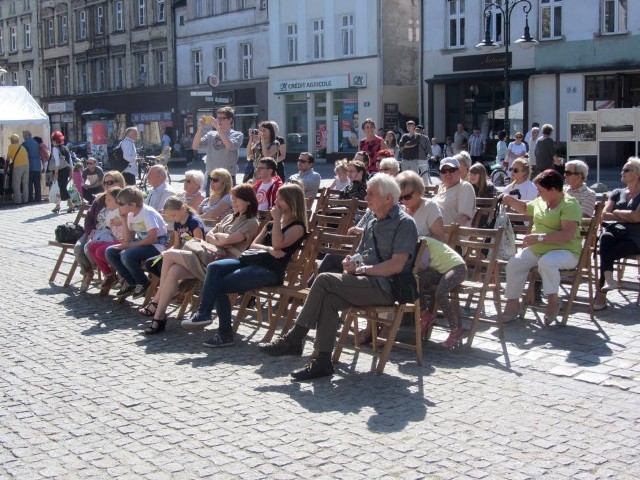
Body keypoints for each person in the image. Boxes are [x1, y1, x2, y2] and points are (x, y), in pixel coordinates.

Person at [258, 174, 418, 381]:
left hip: (386, 287)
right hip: (366, 281)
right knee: (330, 300)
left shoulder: (404, 223)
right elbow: (361, 256)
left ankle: (295, 337)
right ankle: (323, 361)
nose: (366, 198)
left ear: (388, 198)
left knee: (324, 279)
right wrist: (351, 263)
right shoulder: (372, 221)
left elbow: (396, 265)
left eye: (371, 194)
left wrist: (363, 269)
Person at [181, 184, 308, 348]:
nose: (276, 201)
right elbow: (255, 245)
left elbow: (279, 243)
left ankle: (224, 334)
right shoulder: (272, 224)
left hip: (269, 270)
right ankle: (204, 313)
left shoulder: (297, 226)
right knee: (214, 268)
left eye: (280, 199)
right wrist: (269, 248)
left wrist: (276, 220)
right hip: (251, 260)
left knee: (219, 284)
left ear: (292, 201)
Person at [140, 185, 260, 335]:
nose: (233, 202)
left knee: (169, 255)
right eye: (233, 199)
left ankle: (156, 301)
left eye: (237, 199)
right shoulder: (230, 217)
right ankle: (159, 317)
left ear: (248, 201)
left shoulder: (251, 222)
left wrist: (221, 240)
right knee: (173, 271)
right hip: (207, 255)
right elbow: (210, 236)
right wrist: (220, 240)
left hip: (222, 262)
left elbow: (228, 240)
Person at [501, 169, 583, 325]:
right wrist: (509, 199)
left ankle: (553, 300)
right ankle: (513, 303)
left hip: (566, 251)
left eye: (541, 190)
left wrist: (538, 237)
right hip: (539, 250)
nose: (538, 193)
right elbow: (525, 208)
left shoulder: (570, 204)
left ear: (553, 190)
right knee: (514, 263)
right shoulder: (541, 202)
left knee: (546, 262)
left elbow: (567, 234)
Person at [104, 186, 169, 299]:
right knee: (110, 252)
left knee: (126, 254)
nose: (118, 207)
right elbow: (128, 238)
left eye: (121, 204)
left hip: (156, 246)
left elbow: (152, 238)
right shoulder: (130, 215)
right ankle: (131, 282)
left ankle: (143, 282)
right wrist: (124, 221)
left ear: (132, 205)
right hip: (142, 244)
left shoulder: (147, 213)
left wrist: (130, 245)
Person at [594, 158, 640, 311]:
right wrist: (627, 214)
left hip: (635, 238)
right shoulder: (617, 192)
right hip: (616, 233)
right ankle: (608, 279)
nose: (622, 172)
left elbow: (636, 217)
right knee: (606, 237)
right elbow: (604, 216)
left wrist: (617, 212)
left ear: (638, 174)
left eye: (627, 170)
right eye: (622, 169)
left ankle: (601, 294)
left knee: (606, 252)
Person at [73, 171, 127, 292]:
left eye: (111, 182)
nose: (107, 185)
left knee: (90, 250)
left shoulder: (124, 198)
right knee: (78, 248)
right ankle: (88, 272)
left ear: (120, 182)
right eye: (105, 183)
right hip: (94, 230)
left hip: (111, 234)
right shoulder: (100, 199)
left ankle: (107, 273)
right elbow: (89, 217)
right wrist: (89, 230)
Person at [418, 236, 467, 348]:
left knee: (440, 294)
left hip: (457, 268)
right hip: (440, 271)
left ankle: (455, 330)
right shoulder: (417, 240)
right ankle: (425, 313)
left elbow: (423, 264)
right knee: (415, 280)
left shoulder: (421, 241)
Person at [144, 196, 205, 277]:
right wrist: (166, 252)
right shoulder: (177, 223)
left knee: (162, 265)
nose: (172, 218)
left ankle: (169, 285)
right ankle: (169, 283)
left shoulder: (194, 222)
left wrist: (173, 253)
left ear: (182, 208)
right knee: (150, 263)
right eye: (170, 216)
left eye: (173, 215)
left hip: (193, 256)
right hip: (181, 253)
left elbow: (198, 245)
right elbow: (177, 245)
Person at [85, 187, 125, 293]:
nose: (106, 202)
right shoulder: (110, 214)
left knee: (101, 251)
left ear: (117, 201)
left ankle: (123, 273)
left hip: (126, 241)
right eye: (106, 199)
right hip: (116, 240)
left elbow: (131, 231)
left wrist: (122, 221)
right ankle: (109, 274)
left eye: (109, 199)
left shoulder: (124, 212)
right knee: (91, 246)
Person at [192, 107, 244, 186]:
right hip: (212, 175)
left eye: (222, 118)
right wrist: (200, 129)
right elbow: (195, 146)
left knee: (226, 198)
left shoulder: (237, 134)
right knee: (210, 198)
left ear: (230, 120)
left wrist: (218, 128)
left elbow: (230, 146)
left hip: (227, 176)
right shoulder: (211, 134)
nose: (219, 120)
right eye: (218, 118)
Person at [396, 170, 445, 241]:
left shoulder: (430, 207)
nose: (403, 201)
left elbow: (440, 238)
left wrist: (417, 241)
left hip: (425, 251)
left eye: (407, 197)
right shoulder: (401, 210)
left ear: (418, 191)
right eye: (400, 198)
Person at [433, 157, 476, 226]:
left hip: (450, 234)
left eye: (451, 170)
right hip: (433, 232)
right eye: (443, 171)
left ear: (459, 171)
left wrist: (450, 235)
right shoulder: (442, 188)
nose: (447, 174)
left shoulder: (465, 187)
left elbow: (463, 217)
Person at [49, 131, 73, 213]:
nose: (52, 142)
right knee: (60, 188)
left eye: (52, 140)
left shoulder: (55, 149)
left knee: (62, 188)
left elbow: (57, 163)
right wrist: (71, 171)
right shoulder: (65, 148)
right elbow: (70, 161)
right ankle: (58, 205)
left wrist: (56, 173)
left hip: (59, 170)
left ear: (55, 140)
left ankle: (70, 204)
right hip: (66, 170)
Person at [6, 133, 28, 204]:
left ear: (12, 140)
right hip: (26, 165)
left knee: (16, 183)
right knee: (25, 183)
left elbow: (8, 159)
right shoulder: (22, 147)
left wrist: (6, 166)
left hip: (18, 165)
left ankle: (18, 200)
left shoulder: (11, 147)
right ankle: (25, 200)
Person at [22, 130, 41, 203]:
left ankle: (30, 198)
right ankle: (38, 198)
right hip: (37, 165)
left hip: (30, 165)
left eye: (24, 136)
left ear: (27, 135)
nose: (23, 137)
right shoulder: (36, 142)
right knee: (37, 183)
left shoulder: (25, 143)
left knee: (29, 183)